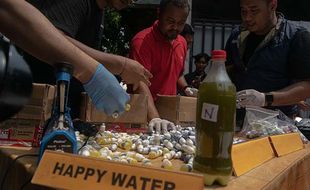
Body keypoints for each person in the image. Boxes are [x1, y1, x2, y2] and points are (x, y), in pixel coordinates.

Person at [21, 0, 152, 118]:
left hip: (66, 111)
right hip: (40, 111)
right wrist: (119, 65)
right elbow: (50, 39)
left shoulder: (99, 11)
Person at [225, 0, 310, 126]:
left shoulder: (296, 37)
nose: (248, 17)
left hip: (278, 124)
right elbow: (227, 73)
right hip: (237, 120)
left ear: (272, 5)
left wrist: (266, 99)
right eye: (244, 11)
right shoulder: (236, 36)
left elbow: (307, 86)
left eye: (254, 11)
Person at [129, 0, 197, 133]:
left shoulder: (182, 42)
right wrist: (155, 118)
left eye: (181, 23)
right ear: (159, 13)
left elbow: (178, 73)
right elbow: (139, 84)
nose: (175, 27)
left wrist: (186, 88)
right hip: (144, 117)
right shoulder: (142, 42)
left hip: (170, 115)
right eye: (170, 21)